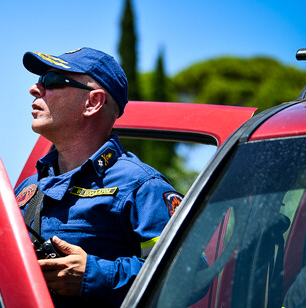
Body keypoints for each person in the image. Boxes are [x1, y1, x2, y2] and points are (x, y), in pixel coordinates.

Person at [14, 47, 183, 307]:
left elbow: (187, 272)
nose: (35, 89)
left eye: (52, 81)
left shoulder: (141, 186)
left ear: (93, 102)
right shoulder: (28, 189)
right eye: (39, 81)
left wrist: (93, 275)